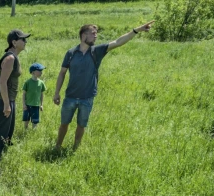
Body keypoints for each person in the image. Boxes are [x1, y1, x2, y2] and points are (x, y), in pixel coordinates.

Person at [53, 21, 154, 150]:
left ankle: (75, 148)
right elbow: (62, 73)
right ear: (84, 35)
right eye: (93, 33)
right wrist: (57, 92)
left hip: (87, 97)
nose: (96, 36)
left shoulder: (97, 51)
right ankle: (57, 146)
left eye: (96, 33)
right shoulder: (71, 53)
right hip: (70, 96)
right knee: (64, 124)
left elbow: (118, 42)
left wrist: (137, 30)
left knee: (81, 125)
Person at [0, 29, 30, 159]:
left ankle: (2, 153)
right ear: (14, 42)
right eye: (23, 39)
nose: (25, 42)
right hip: (5, 100)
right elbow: (2, 82)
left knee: (8, 130)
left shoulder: (13, 57)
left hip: (10, 99)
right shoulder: (10, 58)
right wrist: (6, 104)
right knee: (1, 130)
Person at [22, 63, 47, 130]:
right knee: (26, 120)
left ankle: (34, 132)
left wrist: (41, 104)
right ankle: (25, 131)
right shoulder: (27, 82)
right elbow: (24, 94)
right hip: (27, 105)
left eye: (42, 71)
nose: (41, 72)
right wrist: (24, 104)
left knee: (35, 121)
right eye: (39, 71)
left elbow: (42, 94)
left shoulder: (41, 83)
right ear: (33, 72)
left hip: (36, 106)